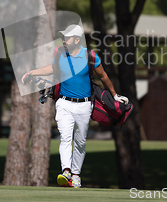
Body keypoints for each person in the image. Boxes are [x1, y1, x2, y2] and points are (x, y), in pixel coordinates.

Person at [22, 24, 128, 188]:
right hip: (64, 103)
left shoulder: (90, 57)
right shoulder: (59, 53)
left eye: (67, 37)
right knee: (65, 138)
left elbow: (103, 76)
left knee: (80, 142)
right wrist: (33, 72)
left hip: (84, 106)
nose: (64, 40)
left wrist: (114, 95)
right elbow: (53, 68)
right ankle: (66, 171)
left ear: (77, 39)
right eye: (63, 37)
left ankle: (76, 175)